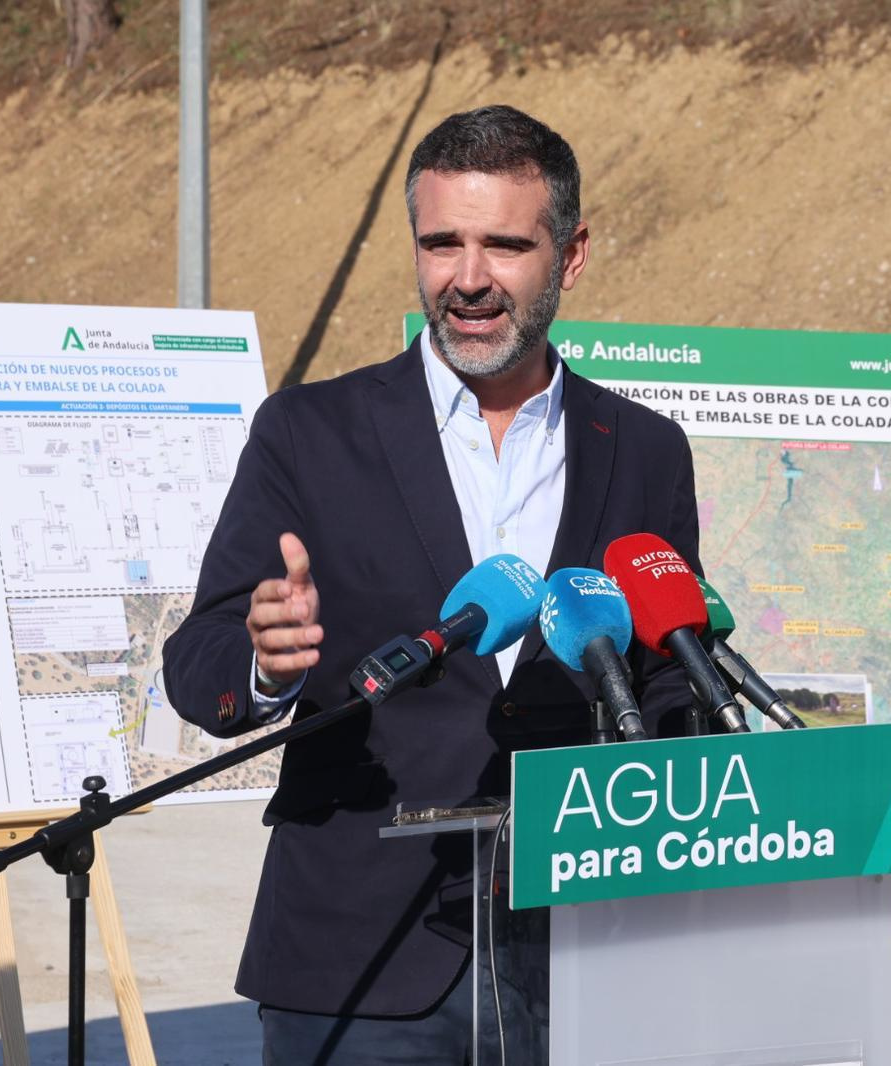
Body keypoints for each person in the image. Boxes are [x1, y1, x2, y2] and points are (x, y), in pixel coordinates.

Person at [162, 105, 699, 1064]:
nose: (468, 278)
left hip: (581, 957)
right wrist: (263, 659)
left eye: (503, 244)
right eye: (442, 242)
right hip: (358, 958)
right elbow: (197, 659)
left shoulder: (647, 450)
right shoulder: (307, 432)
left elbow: (667, 671)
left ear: (570, 256)